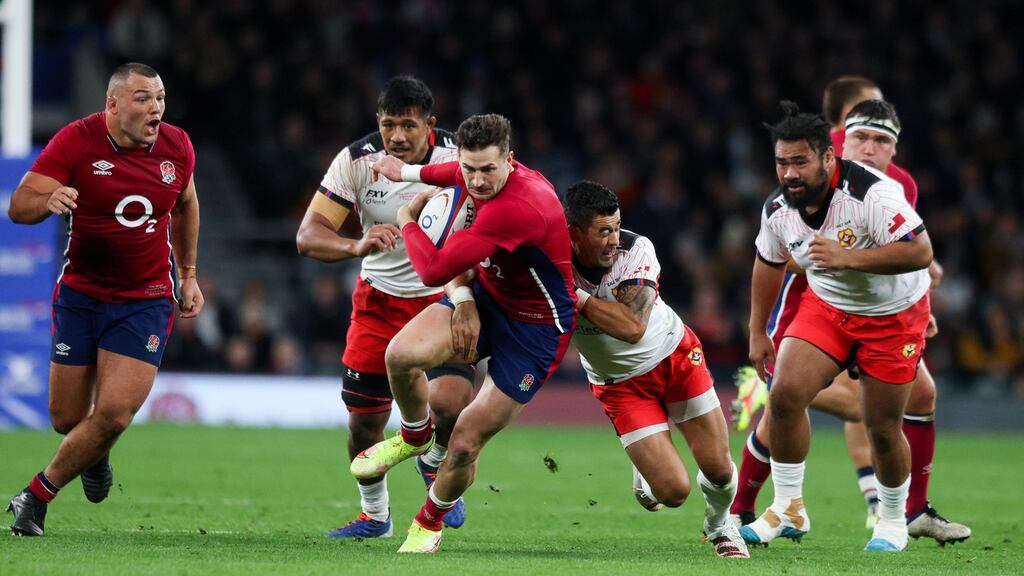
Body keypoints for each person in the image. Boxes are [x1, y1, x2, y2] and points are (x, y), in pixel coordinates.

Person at [731, 80, 970, 545]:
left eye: (799, 162)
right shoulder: (778, 206)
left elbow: (919, 251)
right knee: (784, 394)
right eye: (782, 163)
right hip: (829, 306)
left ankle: (896, 518)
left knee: (881, 426)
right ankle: (787, 509)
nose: (789, 173)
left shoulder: (876, 194)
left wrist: (847, 259)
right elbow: (768, 262)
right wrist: (756, 330)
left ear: (826, 157)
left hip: (892, 317)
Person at [355, 113, 576, 553]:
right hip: (489, 298)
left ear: (510, 161)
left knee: (464, 441)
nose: (475, 180)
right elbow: (448, 171)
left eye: (487, 170)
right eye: (470, 168)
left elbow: (434, 268)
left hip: (535, 330)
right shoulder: (475, 169)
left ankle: (428, 522)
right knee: (399, 356)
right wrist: (408, 171)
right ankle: (416, 436)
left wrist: (406, 217)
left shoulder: (519, 206)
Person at [5, 62, 204, 536]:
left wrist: (189, 274)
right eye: (143, 98)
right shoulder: (76, 139)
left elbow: (188, 203)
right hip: (81, 294)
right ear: (112, 104)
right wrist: (47, 202)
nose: (155, 108)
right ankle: (95, 450)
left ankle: (34, 496)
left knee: (113, 413)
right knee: (68, 419)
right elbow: (19, 205)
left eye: (160, 98)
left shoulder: (178, 145)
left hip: (146, 298)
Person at [295, 76, 473, 538]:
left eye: (408, 125)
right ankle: (375, 516)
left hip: (445, 297)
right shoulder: (356, 161)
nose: (397, 136)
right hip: (378, 303)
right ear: (378, 121)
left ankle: (432, 463)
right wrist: (356, 246)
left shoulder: (460, 158)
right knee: (364, 428)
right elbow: (307, 236)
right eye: (389, 124)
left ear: (430, 125)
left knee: (450, 404)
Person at [565, 180, 748, 558]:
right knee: (674, 493)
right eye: (603, 231)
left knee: (719, 469)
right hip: (620, 385)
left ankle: (720, 526)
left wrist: (574, 295)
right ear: (574, 234)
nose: (614, 239)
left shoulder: (635, 249)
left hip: (673, 357)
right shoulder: (549, 259)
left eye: (616, 227)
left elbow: (633, 328)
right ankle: (647, 466)